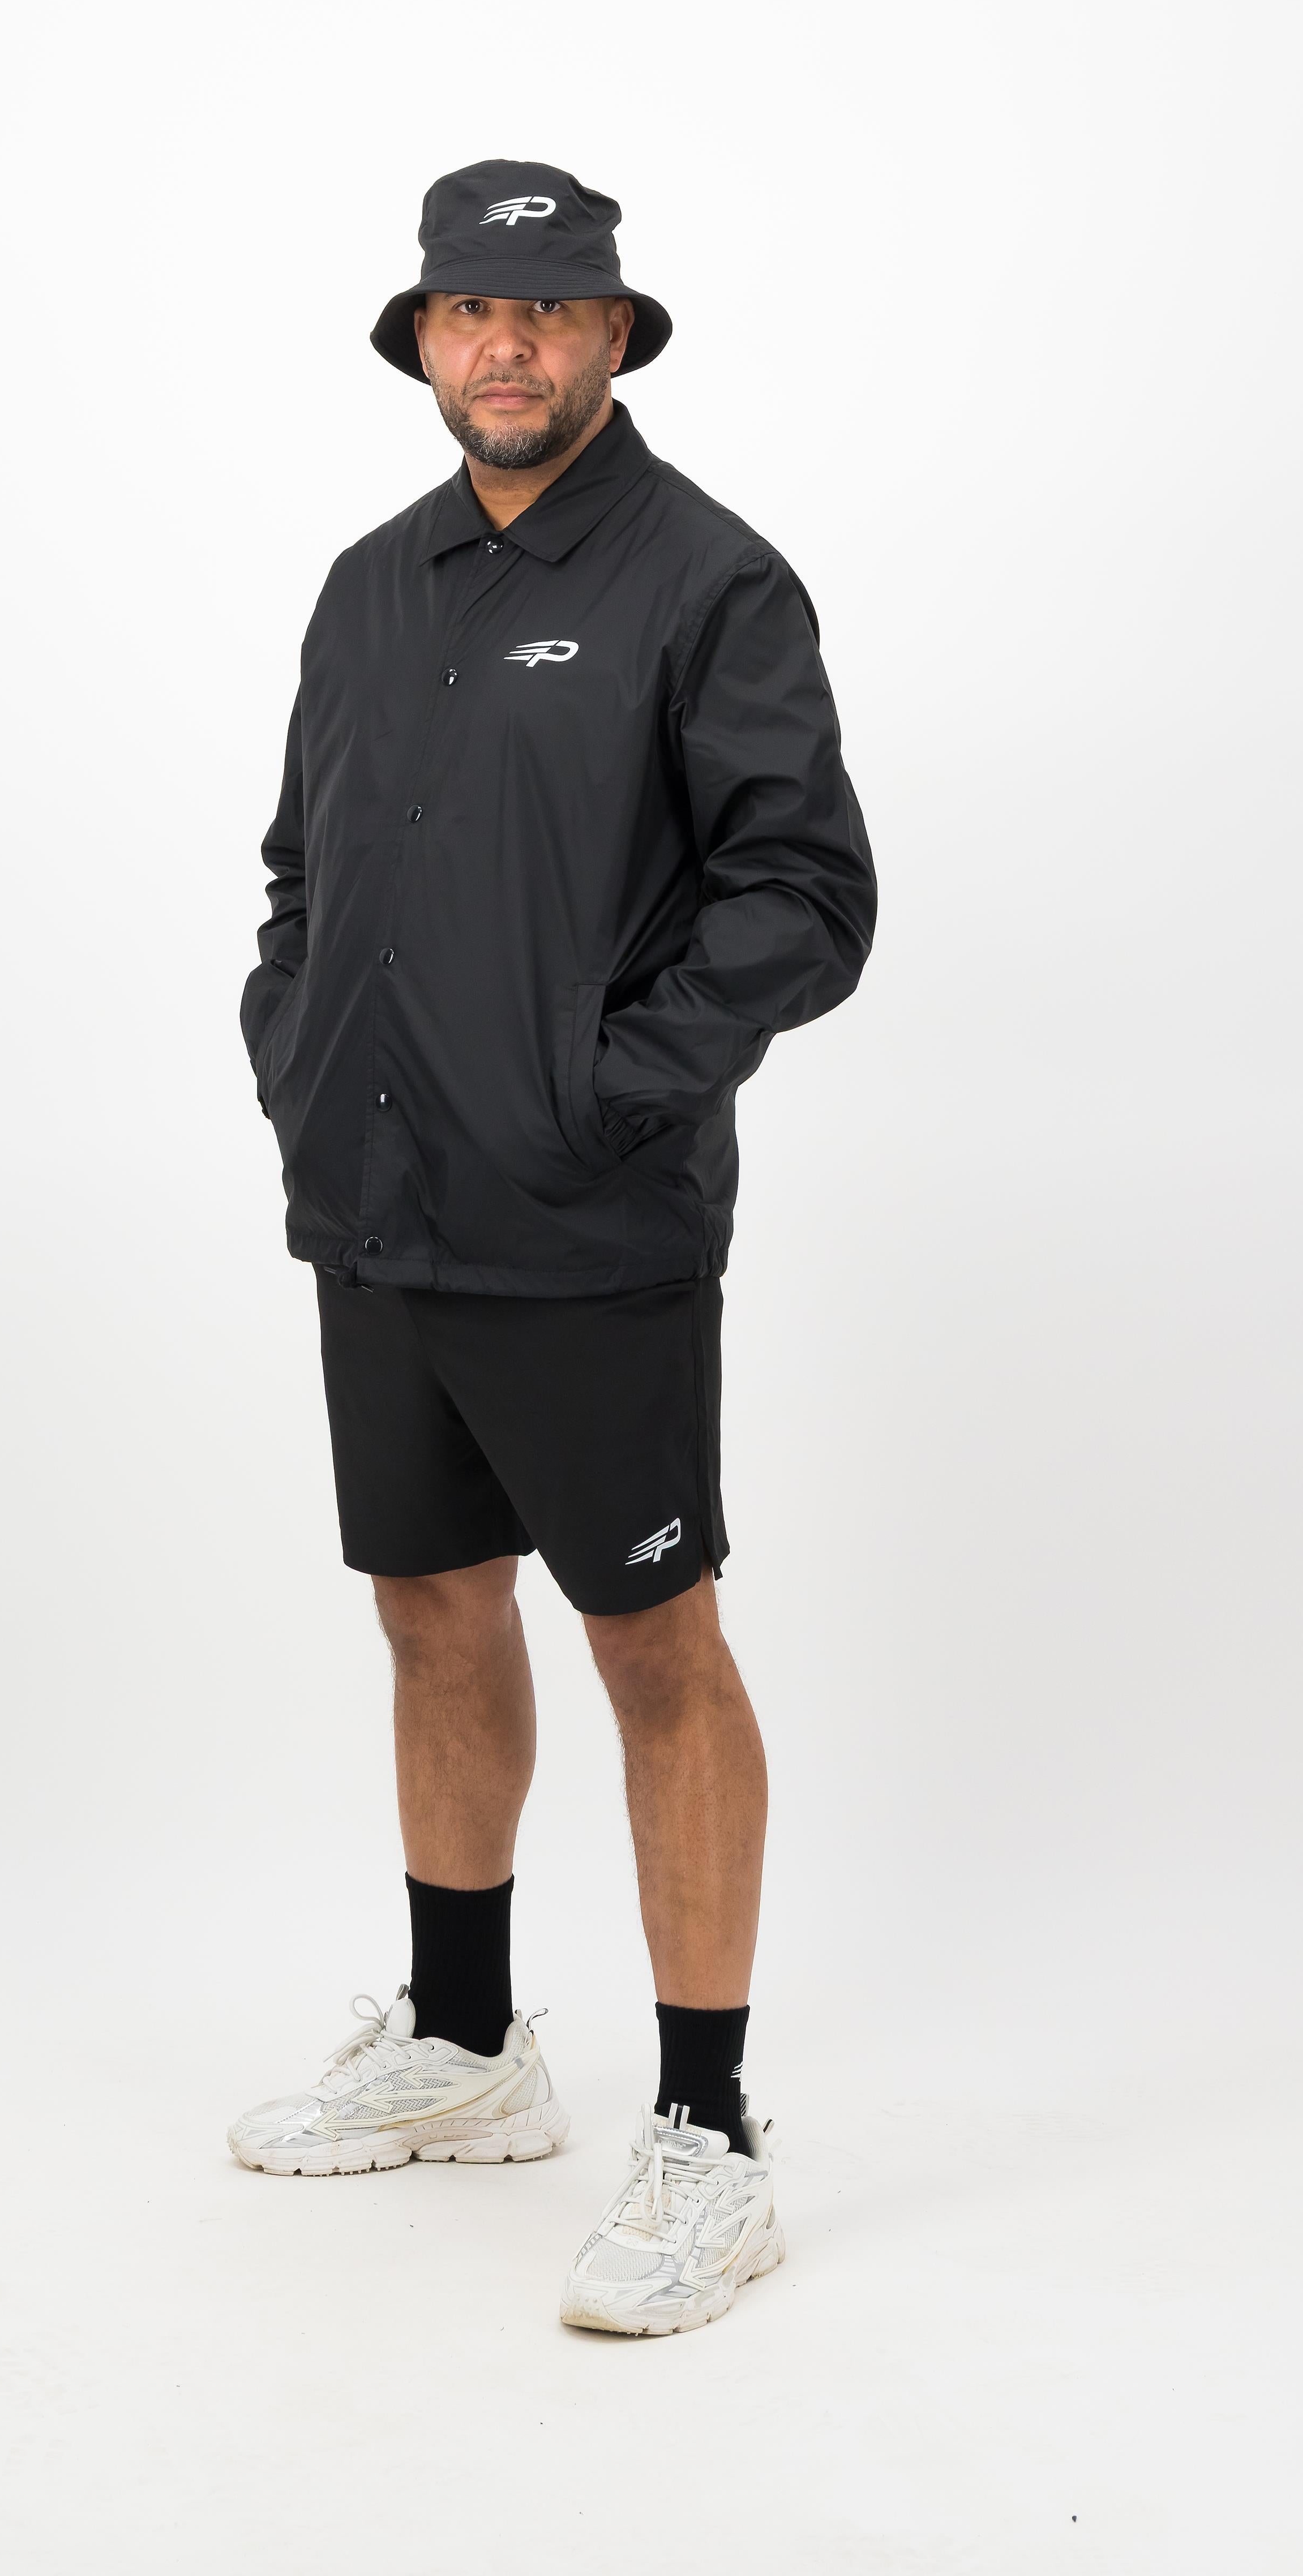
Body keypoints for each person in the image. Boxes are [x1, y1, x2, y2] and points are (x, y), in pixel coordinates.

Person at [228, 160, 877, 2336]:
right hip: (378, 1206)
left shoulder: (708, 580)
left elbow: (806, 898)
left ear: (612, 336)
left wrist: (601, 1089)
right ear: (423, 339)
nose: (503, 345)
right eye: (467, 309)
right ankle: (465, 2043)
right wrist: (298, 1052)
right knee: (429, 1610)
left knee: (654, 1644)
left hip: (591, 1224)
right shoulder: (368, 586)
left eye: (546, 309)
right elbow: (303, 874)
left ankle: (709, 2134)